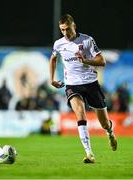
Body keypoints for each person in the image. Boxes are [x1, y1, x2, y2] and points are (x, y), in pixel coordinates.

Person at [49, 14, 117, 163]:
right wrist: (52, 79)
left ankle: (110, 133)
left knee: (104, 123)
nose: (65, 33)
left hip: (91, 83)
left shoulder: (87, 40)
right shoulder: (58, 44)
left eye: (67, 29)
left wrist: (86, 60)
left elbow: (102, 61)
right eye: (62, 30)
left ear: (74, 26)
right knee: (80, 113)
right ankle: (89, 153)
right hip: (72, 84)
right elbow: (53, 59)